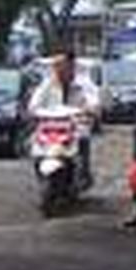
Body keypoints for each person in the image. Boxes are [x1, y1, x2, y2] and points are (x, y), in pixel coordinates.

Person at [28, 49, 100, 188]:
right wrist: (33, 110)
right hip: (50, 125)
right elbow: (35, 103)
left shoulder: (83, 83)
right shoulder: (47, 84)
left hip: (75, 124)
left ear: (72, 65)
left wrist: (90, 109)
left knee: (83, 138)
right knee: (34, 143)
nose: (59, 68)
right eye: (56, 64)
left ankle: (83, 173)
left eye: (63, 64)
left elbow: (93, 101)